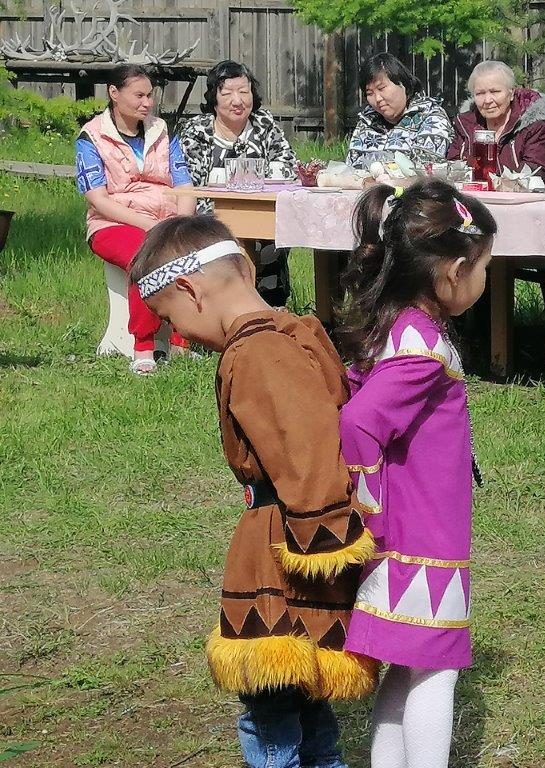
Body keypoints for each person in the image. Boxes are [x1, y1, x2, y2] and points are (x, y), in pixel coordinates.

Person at [128, 215, 377, 768]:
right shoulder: (291, 332)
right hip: (297, 536)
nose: (182, 335)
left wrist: (324, 541)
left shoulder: (258, 354)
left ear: (190, 290)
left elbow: (305, 448)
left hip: (286, 549)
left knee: (268, 709)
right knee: (306, 704)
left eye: (172, 319)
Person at [334, 179, 495, 768]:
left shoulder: (398, 324)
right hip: (421, 540)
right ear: (452, 272)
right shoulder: (421, 347)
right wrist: (368, 507)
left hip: (408, 536)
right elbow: (359, 423)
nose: (485, 281)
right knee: (438, 669)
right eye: (484, 268)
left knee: (407, 671)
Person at [76, 63, 196, 374]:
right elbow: (97, 199)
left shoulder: (163, 131)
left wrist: (181, 225)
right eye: (139, 96)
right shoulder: (91, 137)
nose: (147, 103)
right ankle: (143, 348)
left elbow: (184, 185)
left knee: (197, 250)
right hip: (113, 224)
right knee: (146, 258)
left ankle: (183, 342)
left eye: (150, 96)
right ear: (114, 94)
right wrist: (151, 227)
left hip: (167, 220)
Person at [178, 60, 298, 306]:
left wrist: (240, 175)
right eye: (227, 93)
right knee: (231, 239)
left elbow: (288, 166)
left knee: (272, 238)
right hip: (213, 212)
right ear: (214, 98)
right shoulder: (197, 131)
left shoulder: (264, 124)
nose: (238, 100)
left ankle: (272, 307)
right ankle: (231, 307)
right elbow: (195, 182)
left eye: (244, 92)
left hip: (263, 211)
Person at [447, 60, 545, 183]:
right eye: (480, 93)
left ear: (511, 93)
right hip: (472, 198)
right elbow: (453, 168)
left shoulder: (534, 128)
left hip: (517, 200)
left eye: (495, 92)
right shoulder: (465, 126)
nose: (487, 100)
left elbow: (535, 173)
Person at [346, 53, 454, 169]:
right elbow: (351, 167)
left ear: (403, 84)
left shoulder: (431, 116)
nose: (377, 99)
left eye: (381, 88)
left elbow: (425, 167)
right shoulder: (366, 121)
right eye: (370, 93)